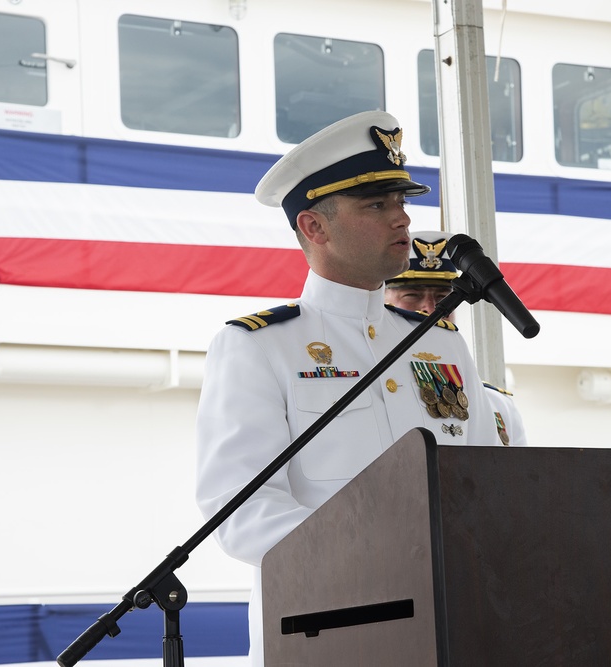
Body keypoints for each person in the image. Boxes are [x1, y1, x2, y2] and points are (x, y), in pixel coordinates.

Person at [195, 111, 503, 666]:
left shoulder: (441, 343)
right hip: (326, 630)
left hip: (452, 628)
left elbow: (483, 482)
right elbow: (239, 510)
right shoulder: (260, 346)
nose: (402, 219)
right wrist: (377, 559)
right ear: (315, 227)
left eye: (401, 203)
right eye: (377, 206)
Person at [385, 230, 528, 447]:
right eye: (412, 295)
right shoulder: (374, 387)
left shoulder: (498, 405)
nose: (429, 308)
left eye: (443, 298)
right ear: (382, 299)